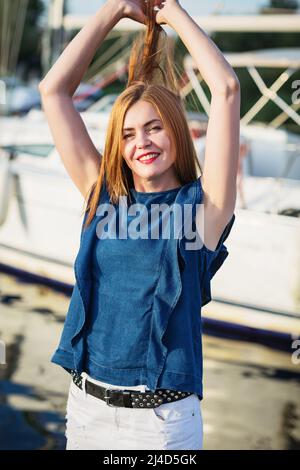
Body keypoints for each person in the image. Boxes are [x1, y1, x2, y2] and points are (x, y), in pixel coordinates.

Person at [39, 0, 240, 450]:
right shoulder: (102, 195)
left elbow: (226, 88)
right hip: (86, 409)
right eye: (128, 134)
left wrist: (170, 12)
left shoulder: (202, 210)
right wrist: (113, 9)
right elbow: (53, 90)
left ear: (175, 131)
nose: (141, 143)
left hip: (160, 424)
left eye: (154, 128)